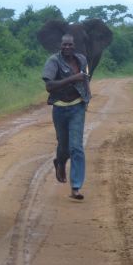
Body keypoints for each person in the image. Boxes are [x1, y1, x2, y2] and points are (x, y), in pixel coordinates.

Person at [42, 33, 90, 200]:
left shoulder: (82, 60)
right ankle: (60, 162)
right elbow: (49, 86)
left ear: (74, 46)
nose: (67, 47)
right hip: (60, 108)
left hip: (77, 107)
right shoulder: (53, 61)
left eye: (70, 45)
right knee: (64, 147)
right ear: (60, 46)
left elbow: (85, 80)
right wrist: (72, 79)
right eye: (64, 45)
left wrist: (86, 100)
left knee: (76, 147)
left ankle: (76, 187)